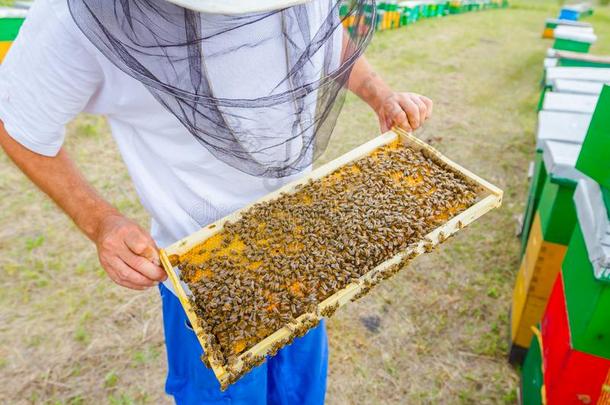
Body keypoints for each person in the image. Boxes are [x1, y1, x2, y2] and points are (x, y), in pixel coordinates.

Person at [0, 0, 432, 403]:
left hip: (304, 254)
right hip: (205, 279)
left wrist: (379, 92)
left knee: (301, 394)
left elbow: (324, 34)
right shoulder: (75, 14)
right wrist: (100, 222)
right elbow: (16, 120)